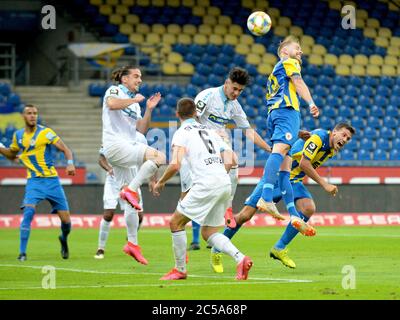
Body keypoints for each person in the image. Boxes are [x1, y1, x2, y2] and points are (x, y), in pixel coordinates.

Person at [210, 123, 355, 272]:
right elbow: (305, 164)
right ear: (334, 131)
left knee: (308, 208)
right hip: (277, 176)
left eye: (348, 139)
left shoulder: (331, 149)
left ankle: (279, 248)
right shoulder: (319, 138)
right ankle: (217, 248)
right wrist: (325, 184)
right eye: (343, 135)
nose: (345, 140)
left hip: (293, 180)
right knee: (244, 216)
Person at [153, 98, 253, 281]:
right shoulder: (210, 131)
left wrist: (160, 182)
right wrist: (218, 175)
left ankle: (180, 269)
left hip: (206, 184)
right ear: (196, 114)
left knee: (176, 223)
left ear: (177, 115)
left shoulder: (181, 132)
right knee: (209, 232)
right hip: (223, 182)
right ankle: (241, 258)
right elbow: (232, 158)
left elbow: (175, 164)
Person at [182, 67, 271, 242]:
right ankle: (194, 226)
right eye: (235, 88)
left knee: (234, 170)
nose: (237, 93)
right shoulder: (207, 96)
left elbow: (248, 131)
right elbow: (191, 120)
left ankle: (226, 208)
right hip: (200, 142)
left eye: (241, 90)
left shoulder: (235, 106)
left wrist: (269, 148)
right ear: (227, 83)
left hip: (219, 143)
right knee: (189, 192)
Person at [102, 65, 166, 264]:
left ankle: (132, 244)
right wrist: (133, 99)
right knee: (159, 157)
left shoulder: (136, 104)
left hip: (127, 145)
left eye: (141, 77)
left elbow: (141, 129)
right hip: (114, 145)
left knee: (132, 203)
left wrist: (148, 109)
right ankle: (130, 189)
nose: (140, 80)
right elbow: (112, 104)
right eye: (136, 76)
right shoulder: (115, 91)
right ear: (124, 79)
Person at [257, 35, 320, 236]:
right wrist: (311, 103)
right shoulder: (289, 62)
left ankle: (293, 213)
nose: (300, 52)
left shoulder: (275, 71)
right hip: (287, 112)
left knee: (285, 167)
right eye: (297, 48)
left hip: (275, 114)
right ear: (285, 51)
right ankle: (266, 197)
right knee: (280, 151)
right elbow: (299, 83)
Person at [0, 104, 75, 261]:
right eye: (29, 113)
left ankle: (63, 238)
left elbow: (66, 149)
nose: (33, 115)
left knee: (67, 222)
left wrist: (70, 163)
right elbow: (11, 154)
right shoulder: (18, 135)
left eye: (35, 113)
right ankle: (22, 253)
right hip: (34, 181)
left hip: (52, 181)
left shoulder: (46, 133)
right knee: (28, 211)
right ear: (23, 116)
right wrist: (1, 148)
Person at [94, 132, 148, 260]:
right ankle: (100, 248)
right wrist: (109, 169)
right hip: (113, 181)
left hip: (131, 181)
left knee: (140, 216)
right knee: (108, 214)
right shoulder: (111, 136)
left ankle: (130, 240)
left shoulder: (138, 137)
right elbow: (101, 159)